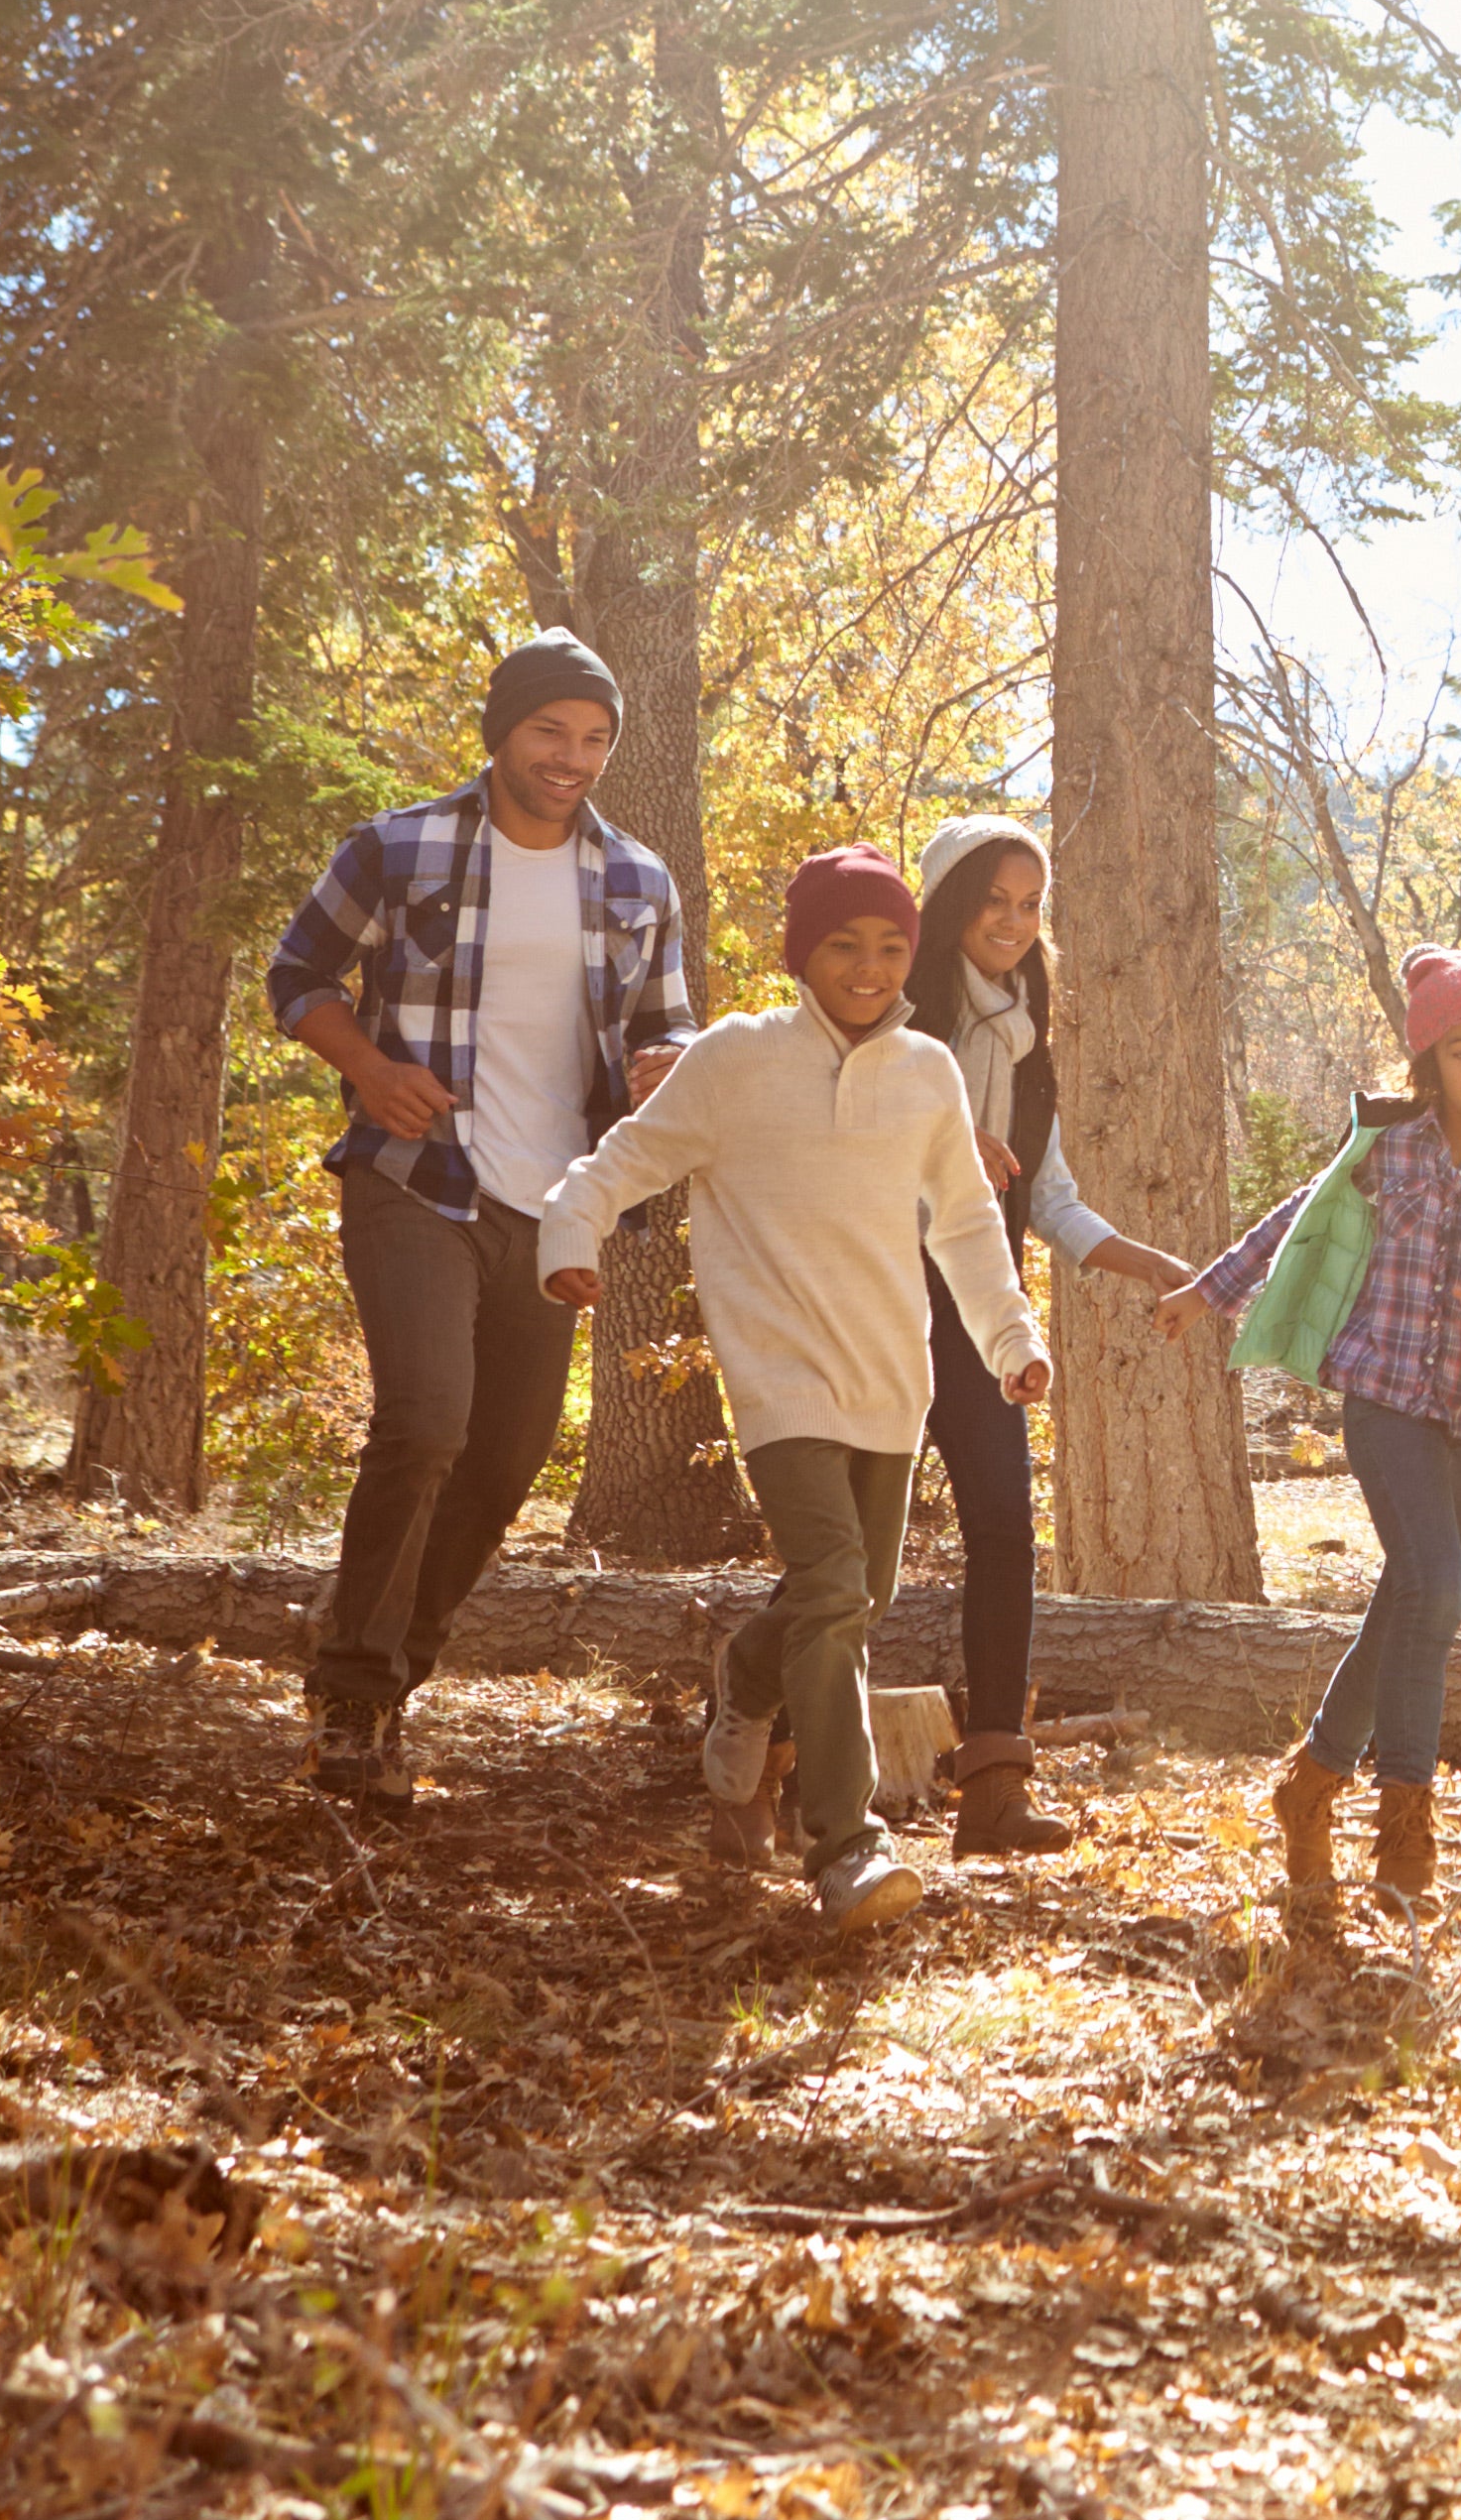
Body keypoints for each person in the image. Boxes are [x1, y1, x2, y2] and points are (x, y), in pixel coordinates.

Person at [542, 846, 1048, 1935]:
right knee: (831, 1589)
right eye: (843, 945)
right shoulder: (736, 1058)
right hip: (777, 1377)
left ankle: (744, 1676)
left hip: (892, 1377)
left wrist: (1011, 1338)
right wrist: (569, 1231)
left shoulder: (927, 1071)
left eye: (891, 947)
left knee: (854, 1598)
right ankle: (847, 1846)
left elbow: (967, 1225)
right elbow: (625, 1160)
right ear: (800, 954)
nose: (869, 967)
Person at [263, 631, 694, 1808]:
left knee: (504, 1463)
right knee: (425, 1421)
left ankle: (392, 1665)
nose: (572, 757)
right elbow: (296, 976)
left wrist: (669, 1062)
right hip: (417, 1178)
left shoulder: (638, 881)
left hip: (555, 1210)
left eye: (594, 739)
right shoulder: (399, 847)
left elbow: (672, 1026)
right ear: (503, 731)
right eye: (550, 731)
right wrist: (365, 1068)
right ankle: (352, 1694)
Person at [1168, 945, 1461, 1920]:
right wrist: (1209, 1291)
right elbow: (1298, 1219)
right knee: (1435, 1588)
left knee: (1410, 1600)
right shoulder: (1389, 1144)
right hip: (1385, 1394)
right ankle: (1406, 1824)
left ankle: (1310, 1783)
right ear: (1429, 1060)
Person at [892, 817, 1200, 1859]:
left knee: (1004, 1531)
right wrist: (942, 1139)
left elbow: (1051, 1199)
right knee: (853, 1542)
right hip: (877, 1297)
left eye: (1030, 905)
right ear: (949, 903)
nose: (1015, 922)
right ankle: (768, 1740)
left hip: (980, 1312)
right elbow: (834, 1138)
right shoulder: (893, 1014)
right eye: (994, 900)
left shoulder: (1029, 1038)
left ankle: (993, 1788)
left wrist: (1148, 1264)